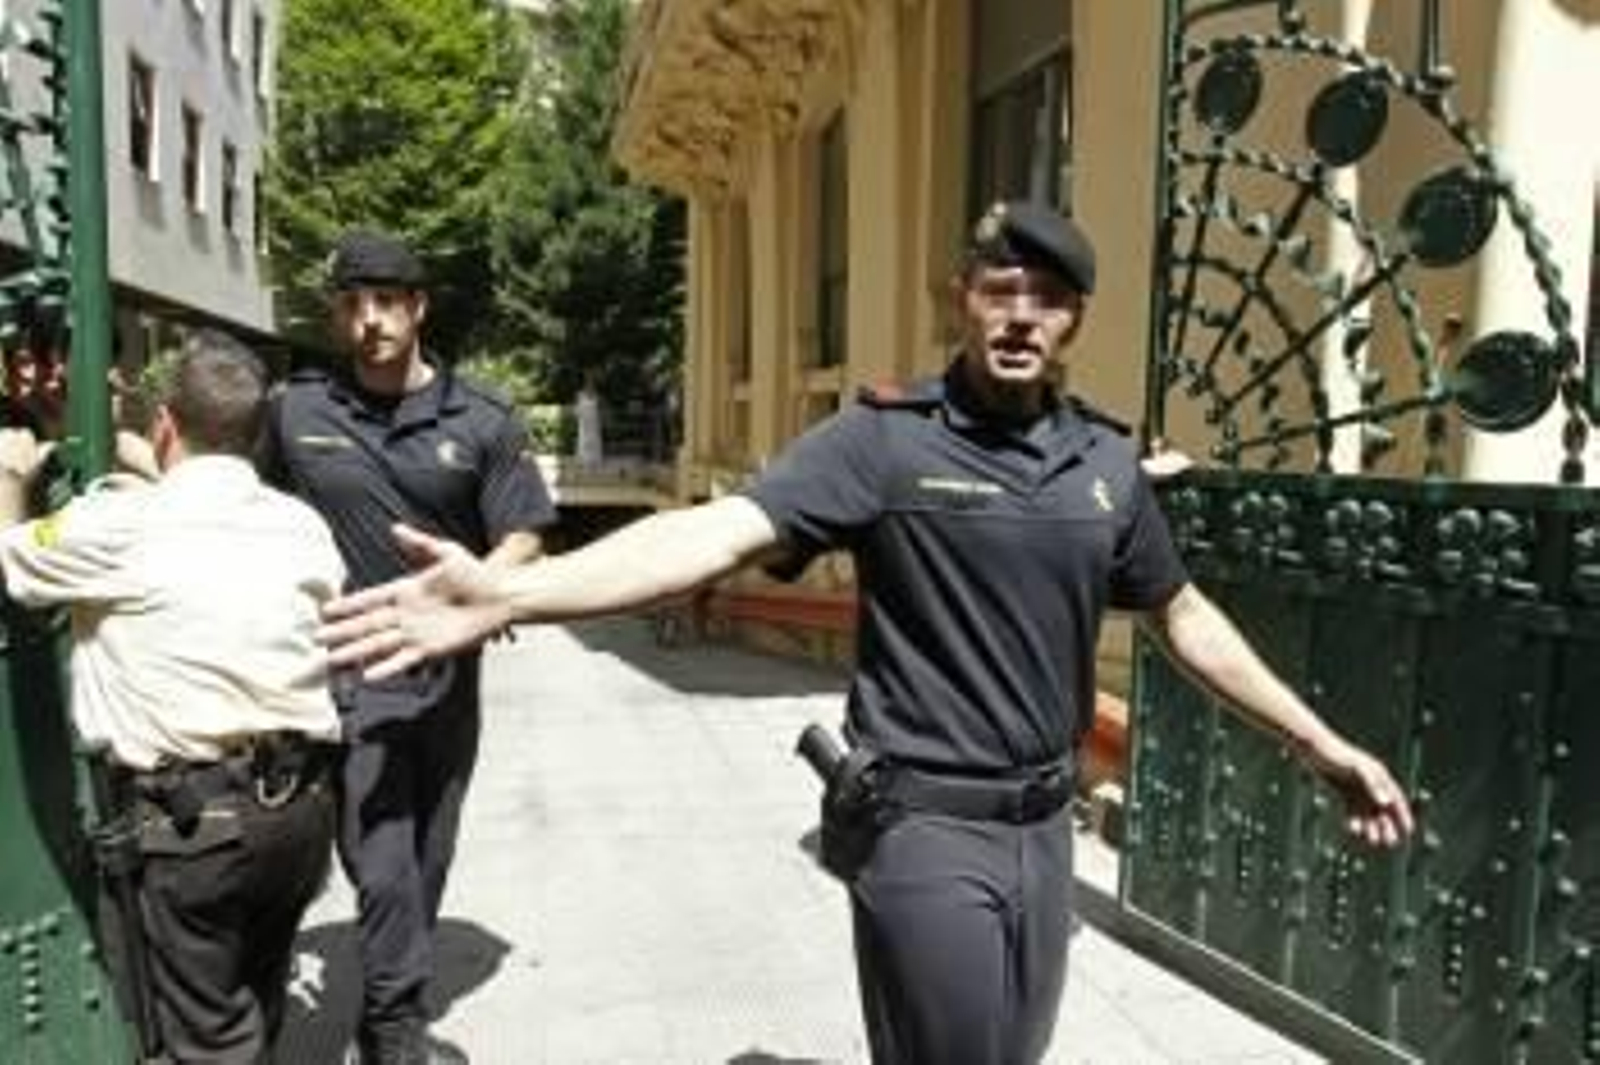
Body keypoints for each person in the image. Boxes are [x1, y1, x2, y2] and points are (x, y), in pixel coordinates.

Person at [316, 201, 1414, 1065]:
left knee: (1007, 1050)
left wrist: (1319, 745)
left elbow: (1182, 616)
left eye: (1045, 296)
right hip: (921, 824)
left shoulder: (1106, 464)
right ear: (961, 302)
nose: (1019, 314)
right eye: (998, 290)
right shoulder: (880, 444)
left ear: (1074, 316)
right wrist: (514, 594)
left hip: (1043, 829)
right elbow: (712, 534)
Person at [0, 332, 345, 1064]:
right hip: (300, 809)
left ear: (164, 425)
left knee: (205, 1041)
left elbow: (13, 557)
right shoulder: (301, 524)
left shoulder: (118, 524)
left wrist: (10, 473)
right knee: (255, 997)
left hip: (196, 829)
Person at [261, 230, 555, 1065]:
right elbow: (230, 484)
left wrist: (477, 589)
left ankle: (391, 1000)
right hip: (351, 673)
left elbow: (526, 533)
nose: (369, 320)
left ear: (418, 306)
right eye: (352, 304)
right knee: (381, 859)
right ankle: (396, 1036)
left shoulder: (484, 418)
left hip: (451, 673)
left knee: (428, 853)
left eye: (386, 301)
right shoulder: (297, 412)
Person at [573, 372, 603, 466]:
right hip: (584, 422)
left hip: (593, 422)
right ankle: (584, 459)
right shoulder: (580, 395)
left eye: (591, 381)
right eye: (588, 381)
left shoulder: (596, 395)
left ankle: (594, 460)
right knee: (584, 441)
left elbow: (598, 409)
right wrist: (579, 415)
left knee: (594, 440)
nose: (590, 383)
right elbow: (577, 409)